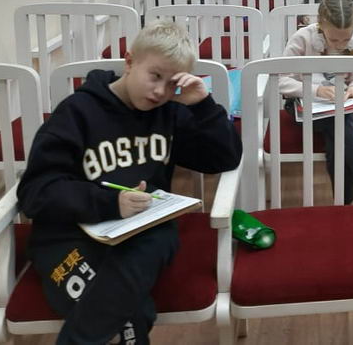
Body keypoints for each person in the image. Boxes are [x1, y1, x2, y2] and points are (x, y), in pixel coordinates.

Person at [17, 21, 242, 345]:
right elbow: (35, 192)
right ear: (129, 61)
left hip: (140, 235)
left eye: (171, 84)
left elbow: (224, 158)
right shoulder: (77, 112)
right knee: (130, 319)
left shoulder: (168, 113)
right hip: (67, 237)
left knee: (162, 235)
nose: (160, 91)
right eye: (155, 76)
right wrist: (110, 203)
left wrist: (203, 105)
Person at [279, 0, 353, 205]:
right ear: (320, 25)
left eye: (346, 39)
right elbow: (281, 80)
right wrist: (316, 90)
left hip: (340, 105)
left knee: (337, 132)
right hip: (301, 105)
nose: (341, 45)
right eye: (334, 40)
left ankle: (343, 203)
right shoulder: (302, 38)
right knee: (341, 123)